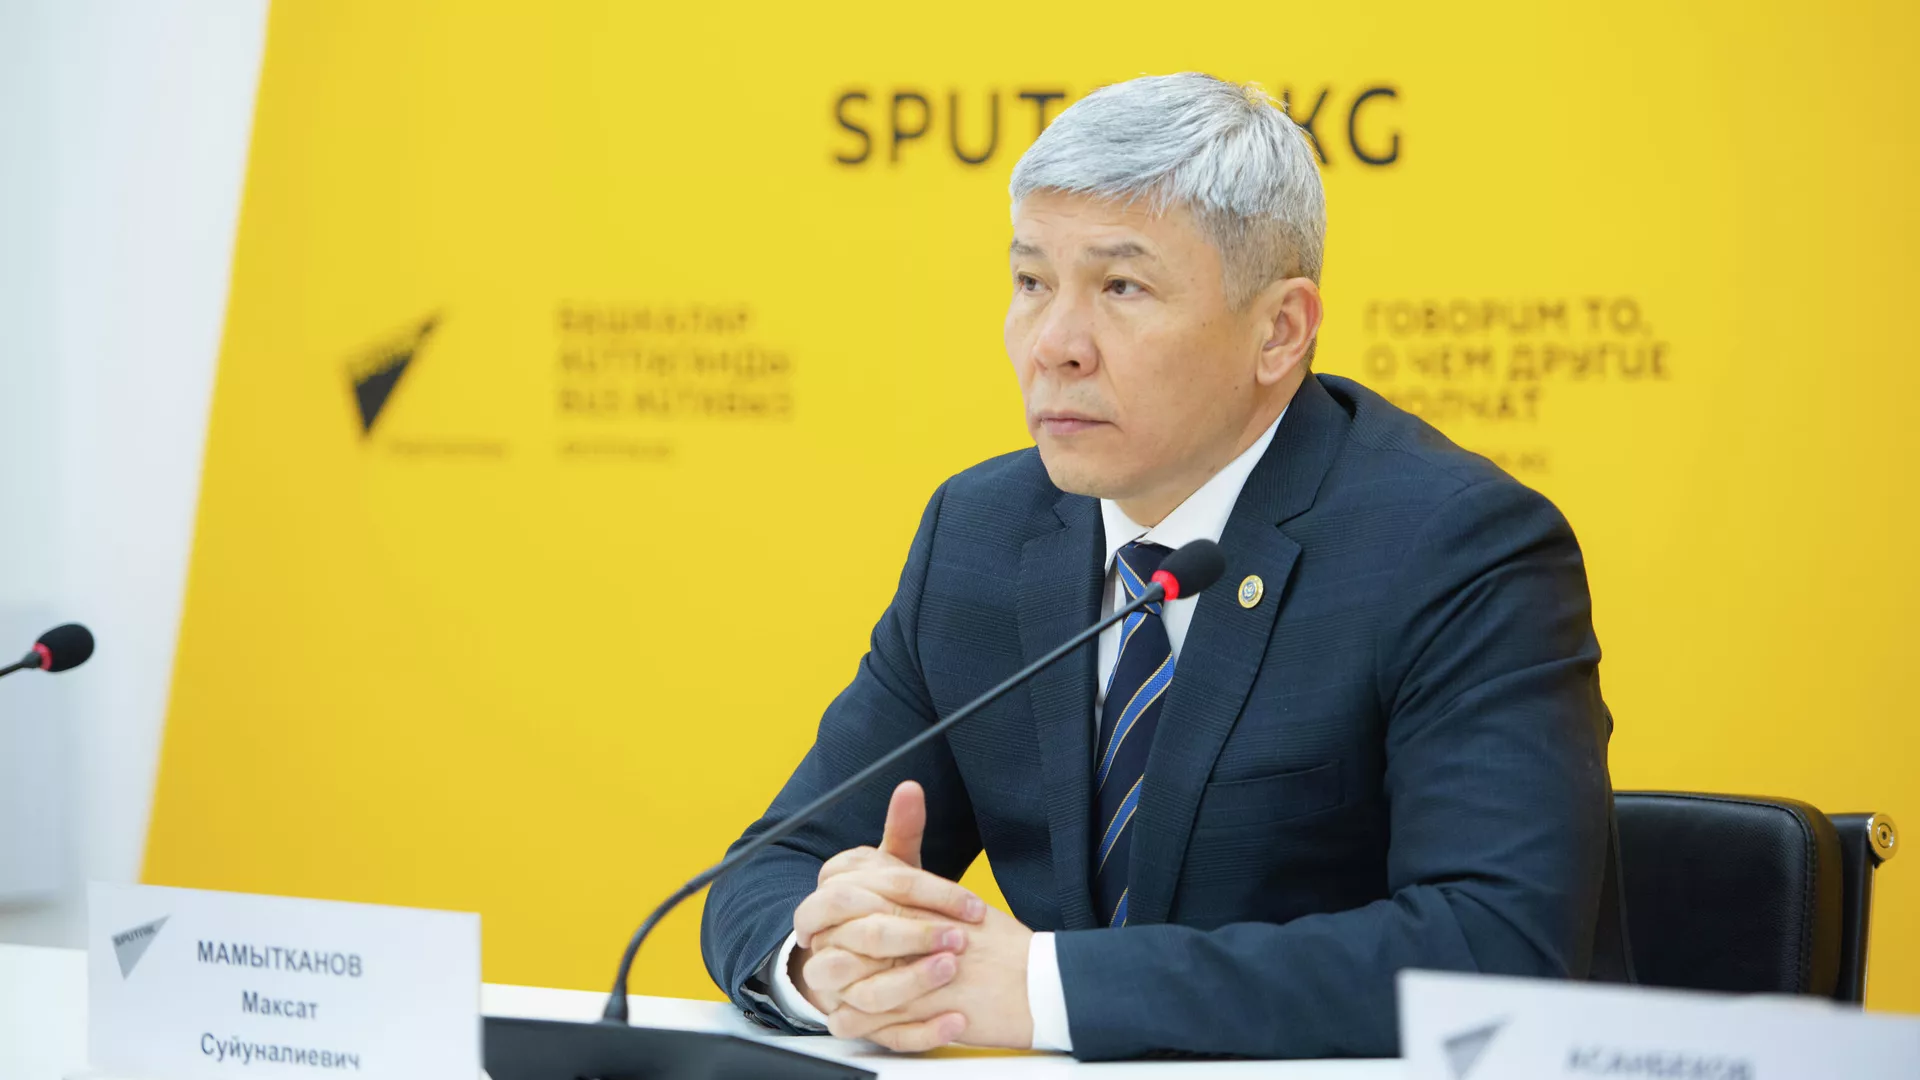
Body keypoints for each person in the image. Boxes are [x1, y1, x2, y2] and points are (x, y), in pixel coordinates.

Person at [699, 72, 1618, 1061]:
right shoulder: (983, 533)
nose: (1054, 345)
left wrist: (1043, 989)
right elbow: (772, 869)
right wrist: (825, 963)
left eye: (1121, 288)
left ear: (1280, 331)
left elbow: (1494, 949)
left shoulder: (1456, 549)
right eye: (1031, 282)